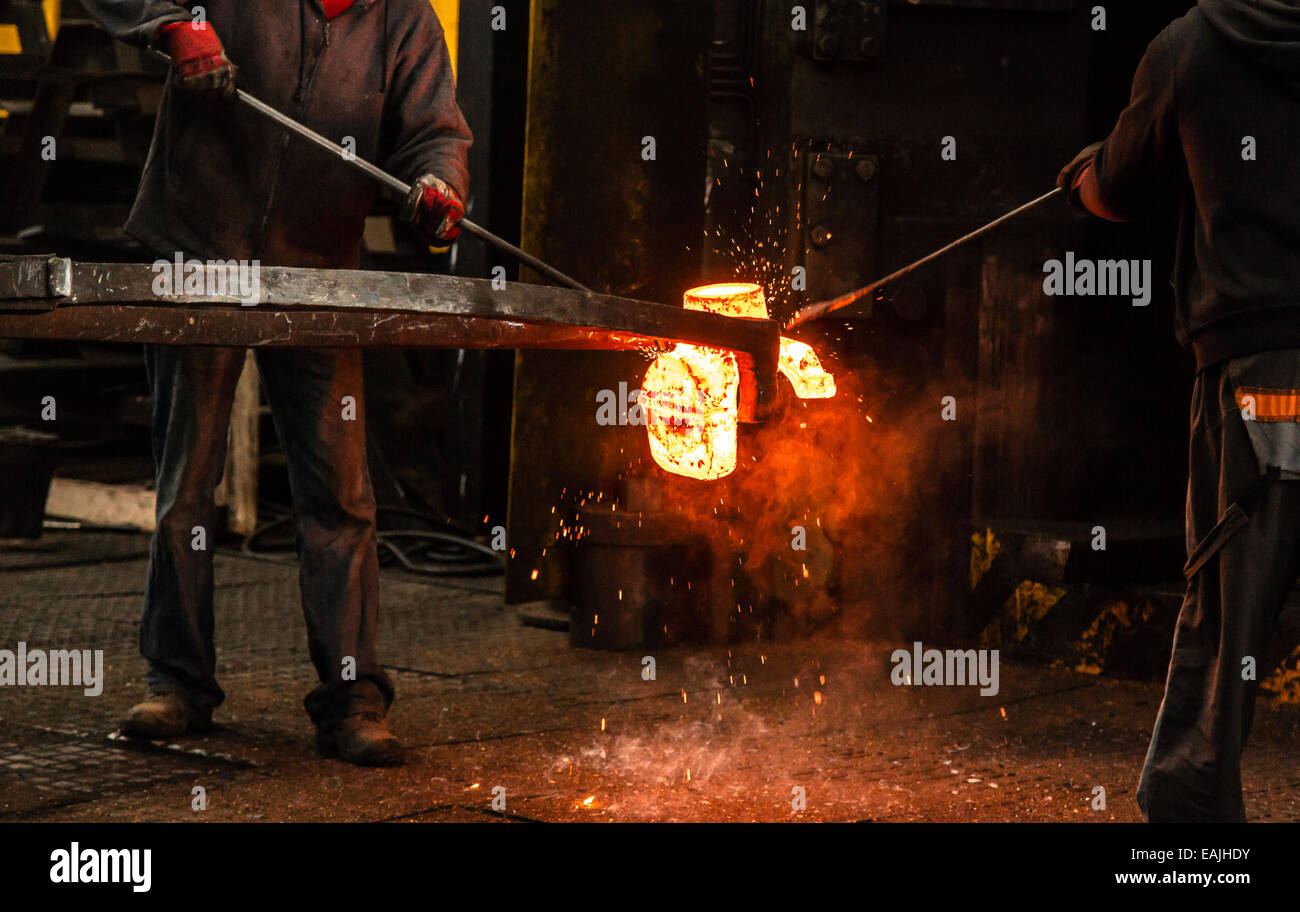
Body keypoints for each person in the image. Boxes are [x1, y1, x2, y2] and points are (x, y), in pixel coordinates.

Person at [80, 0, 472, 766]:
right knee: (186, 484)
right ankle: (179, 684)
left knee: (342, 497)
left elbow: (434, 133)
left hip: (318, 274)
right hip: (198, 247)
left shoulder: (404, 22)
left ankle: (352, 701)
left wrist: (436, 190)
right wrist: (173, 25)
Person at [1058, 0, 1300, 821]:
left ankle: (1194, 822)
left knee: (1229, 609)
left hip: (1260, 375)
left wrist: (1084, 177)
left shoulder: (1192, 44)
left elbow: (1116, 189)